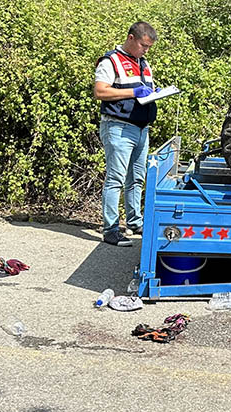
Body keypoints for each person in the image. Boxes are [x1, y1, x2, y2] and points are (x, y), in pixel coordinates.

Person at [93, 21, 160, 246]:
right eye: (143, 45)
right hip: (119, 127)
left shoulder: (143, 63)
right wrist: (134, 92)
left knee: (137, 179)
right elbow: (100, 91)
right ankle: (110, 229)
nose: (146, 50)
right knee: (116, 179)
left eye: (149, 47)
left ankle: (135, 222)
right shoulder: (110, 61)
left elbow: (143, 92)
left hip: (142, 128)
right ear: (131, 38)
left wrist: (155, 93)